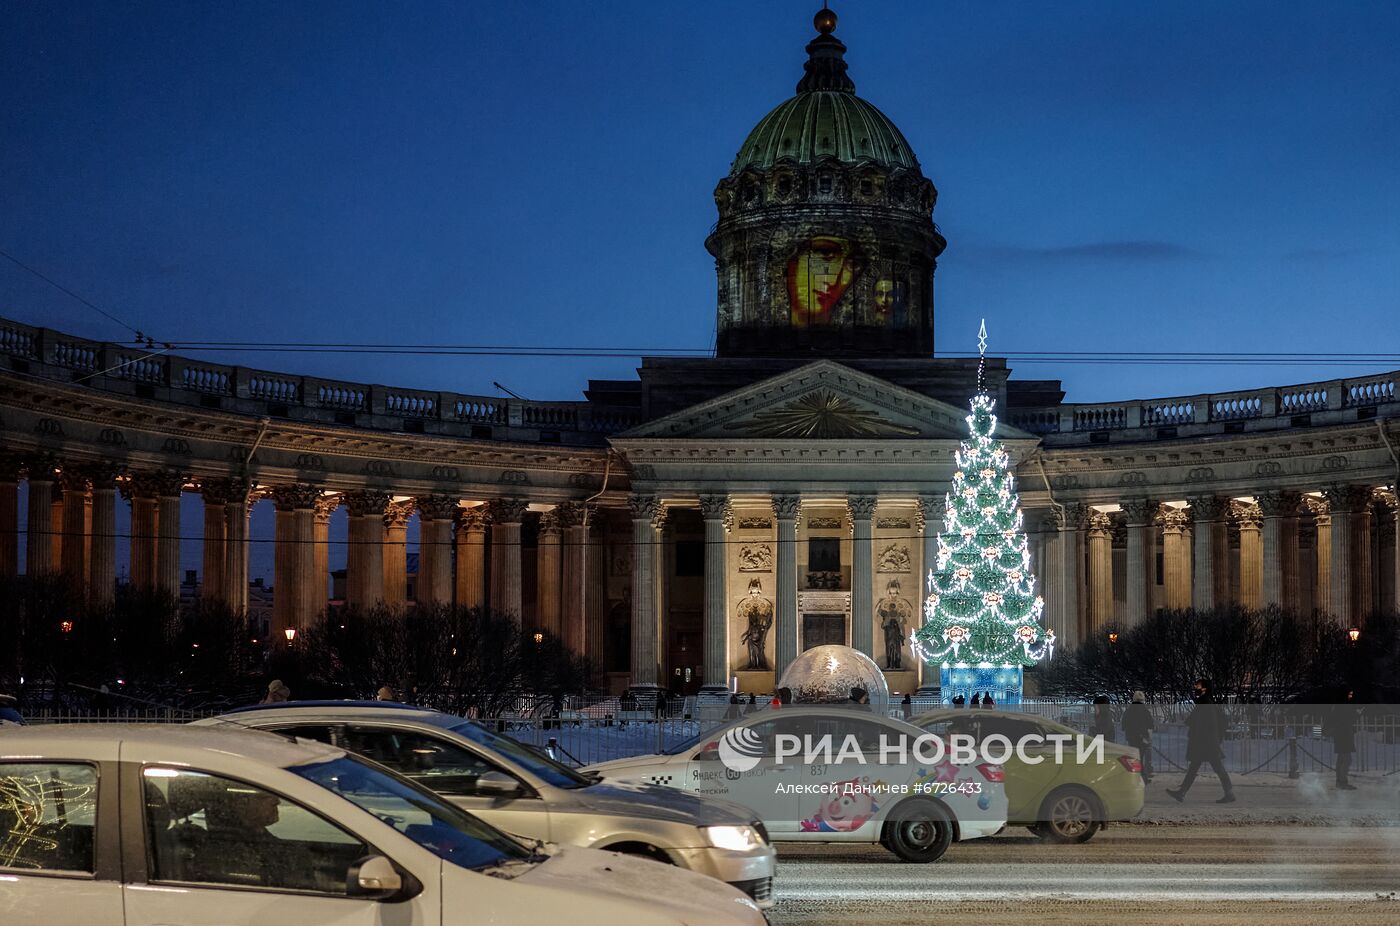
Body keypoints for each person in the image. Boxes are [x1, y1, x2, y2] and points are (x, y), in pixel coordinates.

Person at [1167, 679, 1236, 804]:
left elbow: (1204, 724)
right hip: (1207, 743)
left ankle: (1182, 792)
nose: (1196, 688)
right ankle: (1182, 792)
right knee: (1200, 768)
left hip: (1205, 743)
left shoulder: (1206, 703)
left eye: (1198, 686)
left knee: (1213, 768)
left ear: (1205, 688)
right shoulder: (1205, 703)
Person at [1324, 691, 1360, 790]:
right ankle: (1342, 782)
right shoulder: (1343, 706)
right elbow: (1347, 719)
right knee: (1347, 760)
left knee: (1341, 759)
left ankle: (1340, 781)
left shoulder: (1338, 706)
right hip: (1343, 735)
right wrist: (1357, 714)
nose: (1351, 696)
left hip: (1341, 735)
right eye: (1350, 694)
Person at [1121, 690, 1156, 783]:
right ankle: (1142, 778)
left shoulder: (1128, 711)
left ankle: (1138, 777)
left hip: (1132, 738)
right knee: (1139, 758)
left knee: (1135, 758)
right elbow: (1151, 725)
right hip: (1143, 738)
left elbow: (1123, 725)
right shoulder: (1145, 711)